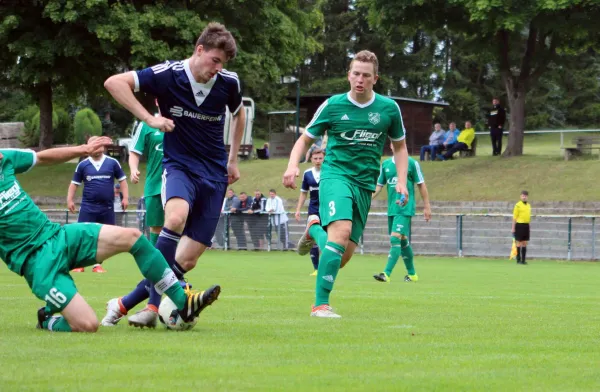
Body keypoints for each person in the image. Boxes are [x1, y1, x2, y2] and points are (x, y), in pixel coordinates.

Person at [103, 22, 246, 328]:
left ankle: (124, 303)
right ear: (199, 50)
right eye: (215, 61)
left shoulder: (229, 83)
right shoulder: (167, 75)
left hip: (215, 175)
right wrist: (148, 119)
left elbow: (239, 114)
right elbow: (114, 83)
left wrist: (233, 160)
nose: (218, 69)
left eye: (224, 64)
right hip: (179, 166)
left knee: (188, 260)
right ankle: (160, 305)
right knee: (175, 218)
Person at [0, 139, 211, 332]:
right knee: (88, 325)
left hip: (58, 236)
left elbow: (42, 157)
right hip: (38, 264)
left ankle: (183, 303)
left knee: (134, 237)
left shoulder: (4, 158)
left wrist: (83, 150)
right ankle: (47, 319)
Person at [282, 50, 409, 318]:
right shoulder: (333, 105)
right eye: (355, 73)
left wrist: (401, 181)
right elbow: (305, 139)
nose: (359, 79)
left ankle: (313, 230)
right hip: (335, 176)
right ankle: (320, 305)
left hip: (365, 185)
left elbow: (400, 147)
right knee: (340, 233)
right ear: (348, 75)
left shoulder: (388, 109)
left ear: (376, 78)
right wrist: (293, 164)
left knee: (340, 258)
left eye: (365, 75)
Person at [102, 114, 166, 328]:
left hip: (186, 189)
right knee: (164, 256)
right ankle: (156, 306)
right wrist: (134, 168)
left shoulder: (187, 116)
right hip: (157, 190)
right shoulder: (147, 124)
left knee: (177, 258)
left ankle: (123, 304)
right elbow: (135, 150)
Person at [67, 136, 129, 273]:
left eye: (100, 145)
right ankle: (79, 264)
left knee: (104, 237)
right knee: (82, 235)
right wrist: (70, 200)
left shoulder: (112, 163)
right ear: (88, 147)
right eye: (94, 145)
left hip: (107, 207)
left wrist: (125, 198)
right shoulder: (83, 165)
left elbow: (123, 180)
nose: (98, 147)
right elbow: (74, 184)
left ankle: (97, 265)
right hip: (88, 206)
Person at [372, 144, 431, 282]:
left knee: (395, 238)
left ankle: (386, 274)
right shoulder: (386, 164)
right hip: (392, 209)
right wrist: (366, 201)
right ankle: (412, 275)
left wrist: (427, 206)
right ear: (391, 145)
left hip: (405, 208)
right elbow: (378, 186)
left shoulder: (411, 163)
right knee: (403, 240)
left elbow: (421, 184)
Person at [295, 148, 324, 276]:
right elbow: (303, 193)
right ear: (311, 159)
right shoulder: (307, 174)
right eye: (315, 158)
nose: (318, 161)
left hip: (328, 209)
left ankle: (324, 267)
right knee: (313, 238)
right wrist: (298, 209)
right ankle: (316, 269)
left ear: (324, 159)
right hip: (313, 210)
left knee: (325, 238)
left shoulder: (329, 172)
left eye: (320, 158)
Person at [512, 190, 531, 265]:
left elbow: (528, 217)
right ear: (520, 196)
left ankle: (523, 260)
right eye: (523, 196)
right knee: (519, 242)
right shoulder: (517, 205)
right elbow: (514, 217)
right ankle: (518, 260)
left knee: (525, 242)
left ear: (527, 197)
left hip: (526, 225)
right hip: (519, 225)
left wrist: (529, 226)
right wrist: (513, 228)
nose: (524, 197)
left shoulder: (528, 205)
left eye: (525, 196)